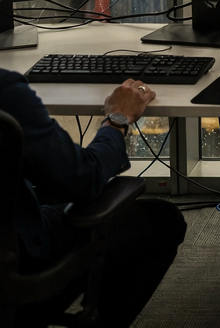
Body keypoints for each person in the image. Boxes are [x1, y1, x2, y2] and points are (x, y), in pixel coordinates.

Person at [1, 68, 187, 328]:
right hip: (17, 261)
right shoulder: (5, 90)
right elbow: (83, 179)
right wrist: (117, 118)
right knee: (163, 220)